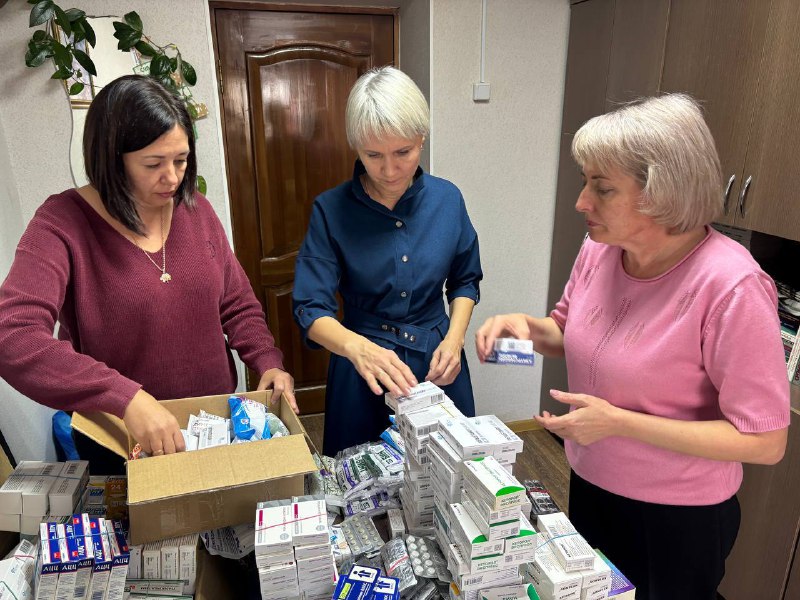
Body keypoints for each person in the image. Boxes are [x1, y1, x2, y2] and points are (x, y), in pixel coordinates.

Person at [475, 94, 789, 599]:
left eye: (602, 188)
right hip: (592, 482)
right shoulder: (600, 250)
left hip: (679, 516)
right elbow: (568, 334)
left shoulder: (732, 286)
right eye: (585, 183)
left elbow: (765, 441)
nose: (582, 202)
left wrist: (619, 423)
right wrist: (527, 328)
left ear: (663, 193)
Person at [0, 75, 296, 467]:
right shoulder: (63, 222)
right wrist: (125, 398)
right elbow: (12, 336)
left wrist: (267, 360)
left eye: (181, 160)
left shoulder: (197, 210)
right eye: (153, 164)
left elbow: (237, 303)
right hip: (120, 440)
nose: (172, 177)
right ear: (111, 159)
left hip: (209, 426)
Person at [293, 66, 482, 456]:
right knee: (358, 478)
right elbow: (310, 309)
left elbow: (465, 279)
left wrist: (455, 339)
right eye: (373, 155)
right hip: (362, 365)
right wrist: (357, 348)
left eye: (403, 153)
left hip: (437, 358)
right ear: (356, 148)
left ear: (421, 138)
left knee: (448, 474)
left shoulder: (447, 200)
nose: (390, 170)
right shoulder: (331, 210)